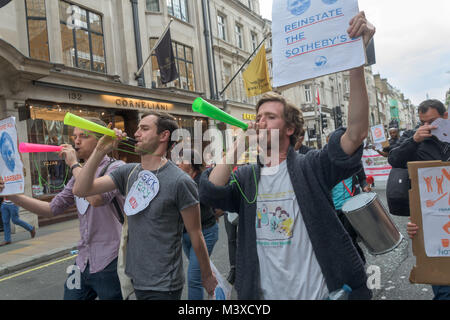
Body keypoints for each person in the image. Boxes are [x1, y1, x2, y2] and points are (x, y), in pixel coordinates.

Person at [198, 11, 375, 300]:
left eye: (270, 117)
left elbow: (355, 133)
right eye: (258, 117)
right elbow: (211, 191)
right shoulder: (246, 176)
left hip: (319, 292)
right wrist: (240, 143)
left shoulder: (312, 166)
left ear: (290, 128)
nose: (261, 122)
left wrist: (356, 62)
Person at [72, 111, 217, 300]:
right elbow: (81, 189)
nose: (136, 133)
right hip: (133, 280)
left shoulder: (180, 181)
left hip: (164, 285)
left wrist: (206, 275)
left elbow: (196, 234)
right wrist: (101, 150)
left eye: (145, 128)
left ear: (164, 136)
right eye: (138, 127)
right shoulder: (128, 172)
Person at [0, 118, 125, 300]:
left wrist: (74, 165)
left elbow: (96, 199)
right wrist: (11, 195)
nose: (76, 141)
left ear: (100, 141)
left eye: (83, 136)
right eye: (74, 136)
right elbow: (51, 209)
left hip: (110, 261)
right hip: (82, 261)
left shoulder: (115, 167)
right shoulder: (78, 175)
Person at [391, 99, 449, 300]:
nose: (427, 127)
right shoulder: (414, 137)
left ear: (445, 117)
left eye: (432, 121)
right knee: (444, 286)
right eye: (422, 122)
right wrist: (414, 140)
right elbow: (394, 159)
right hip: (432, 219)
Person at [176, 149, 219, 300]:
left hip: (205, 233)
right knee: (202, 268)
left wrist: (214, 214)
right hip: (185, 236)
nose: (179, 163)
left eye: (183, 160)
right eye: (178, 159)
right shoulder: (179, 179)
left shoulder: (202, 180)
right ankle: (216, 290)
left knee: (194, 278)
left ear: (193, 162)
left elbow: (217, 198)